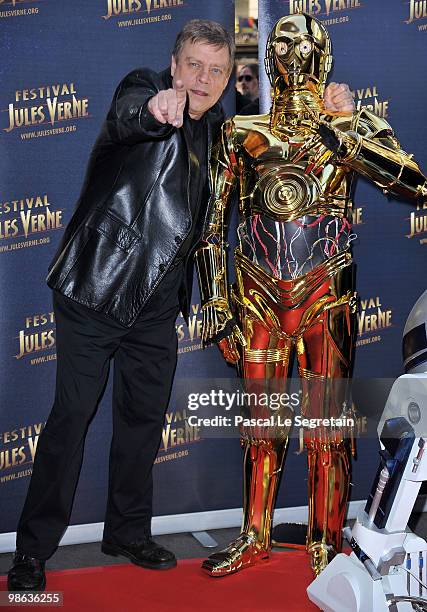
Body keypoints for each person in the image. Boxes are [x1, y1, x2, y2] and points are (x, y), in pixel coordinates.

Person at [7, 18, 354, 592]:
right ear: (173, 65)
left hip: (156, 306)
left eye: (216, 70)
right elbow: (132, 112)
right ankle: (32, 553)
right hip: (98, 287)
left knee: (142, 423)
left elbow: (276, 131)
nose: (204, 78)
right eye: (194, 66)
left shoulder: (219, 128)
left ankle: (126, 530)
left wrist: (331, 104)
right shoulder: (143, 89)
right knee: (70, 422)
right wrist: (155, 106)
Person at [195, 12, 427, 579]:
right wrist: (217, 302)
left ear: (323, 58)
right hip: (256, 299)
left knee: (329, 429)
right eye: (282, 44)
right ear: (269, 57)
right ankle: (254, 535)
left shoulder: (348, 125)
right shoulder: (242, 133)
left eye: (305, 46)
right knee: (260, 425)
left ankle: (326, 541)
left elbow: (414, 181)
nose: (292, 55)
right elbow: (209, 229)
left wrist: (343, 131)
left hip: (327, 297)